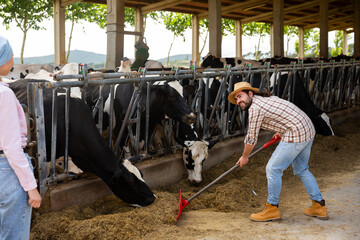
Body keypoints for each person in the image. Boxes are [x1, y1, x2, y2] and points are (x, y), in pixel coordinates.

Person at [228, 81, 328, 222]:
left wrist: (245, 157)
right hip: (307, 127)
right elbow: (283, 113)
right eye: (236, 99)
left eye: (240, 96)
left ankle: (272, 208)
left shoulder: (255, 108)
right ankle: (319, 205)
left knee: (273, 169)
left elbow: (251, 138)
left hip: (296, 133)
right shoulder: (266, 99)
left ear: (250, 94)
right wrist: (281, 130)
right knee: (302, 169)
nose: (238, 101)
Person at [0, 36, 42, 239]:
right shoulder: (4, 95)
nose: (13, 61)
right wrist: (31, 187)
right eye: (10, 56)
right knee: (12, 234)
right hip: (7, 170)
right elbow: (11, 147)